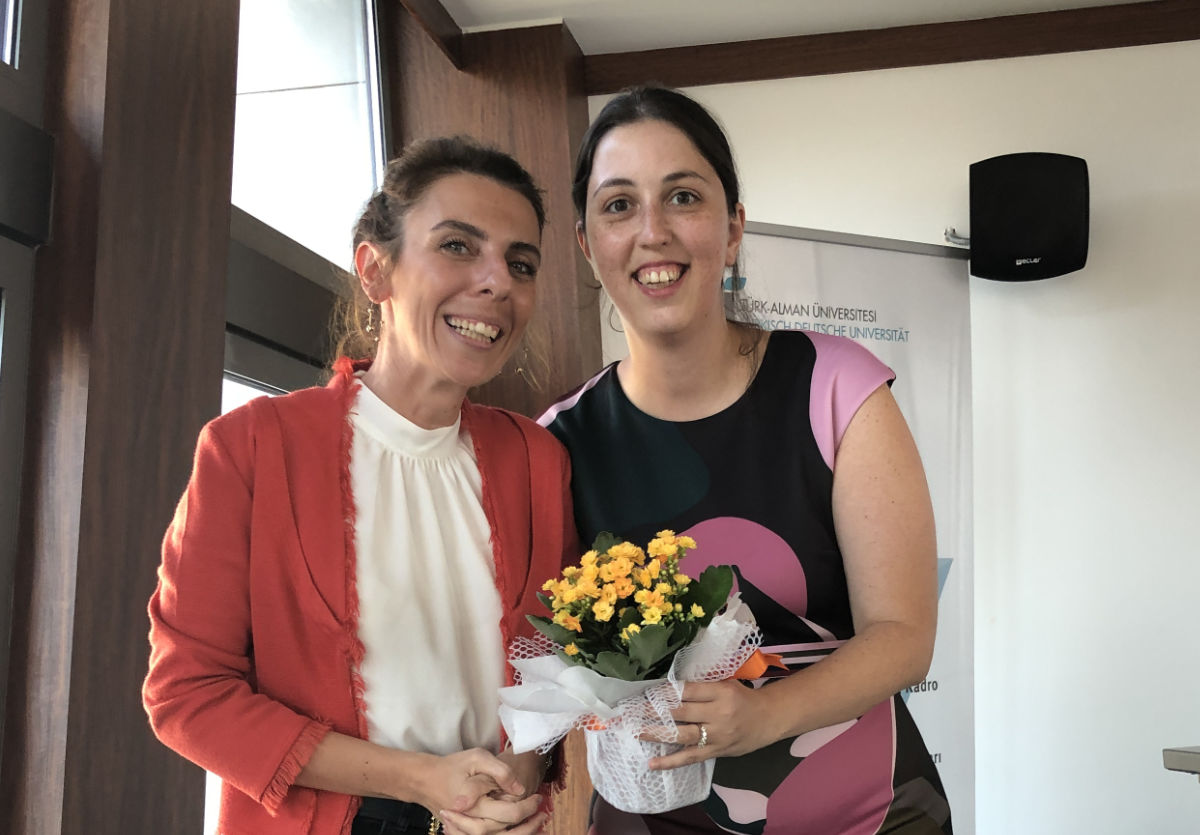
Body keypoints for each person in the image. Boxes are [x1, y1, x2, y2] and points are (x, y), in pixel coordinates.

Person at [539, 86, 953, 833]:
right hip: (655, 817)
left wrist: (763, 715)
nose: (653, 231)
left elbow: (903, 635)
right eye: (619, 205)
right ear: (587, 245)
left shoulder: (835, 386)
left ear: (732, 229)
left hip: (869, 813)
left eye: (683, 197)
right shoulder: (559, 442)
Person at [144, 136, 576, 835]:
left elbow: (557, 659)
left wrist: (523, 770)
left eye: (520, 263)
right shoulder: (250, 447)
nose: (497, 281)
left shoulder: (537, 459)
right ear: (375, 271)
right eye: (458, 246)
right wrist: (421, 780)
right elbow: (186, 695)